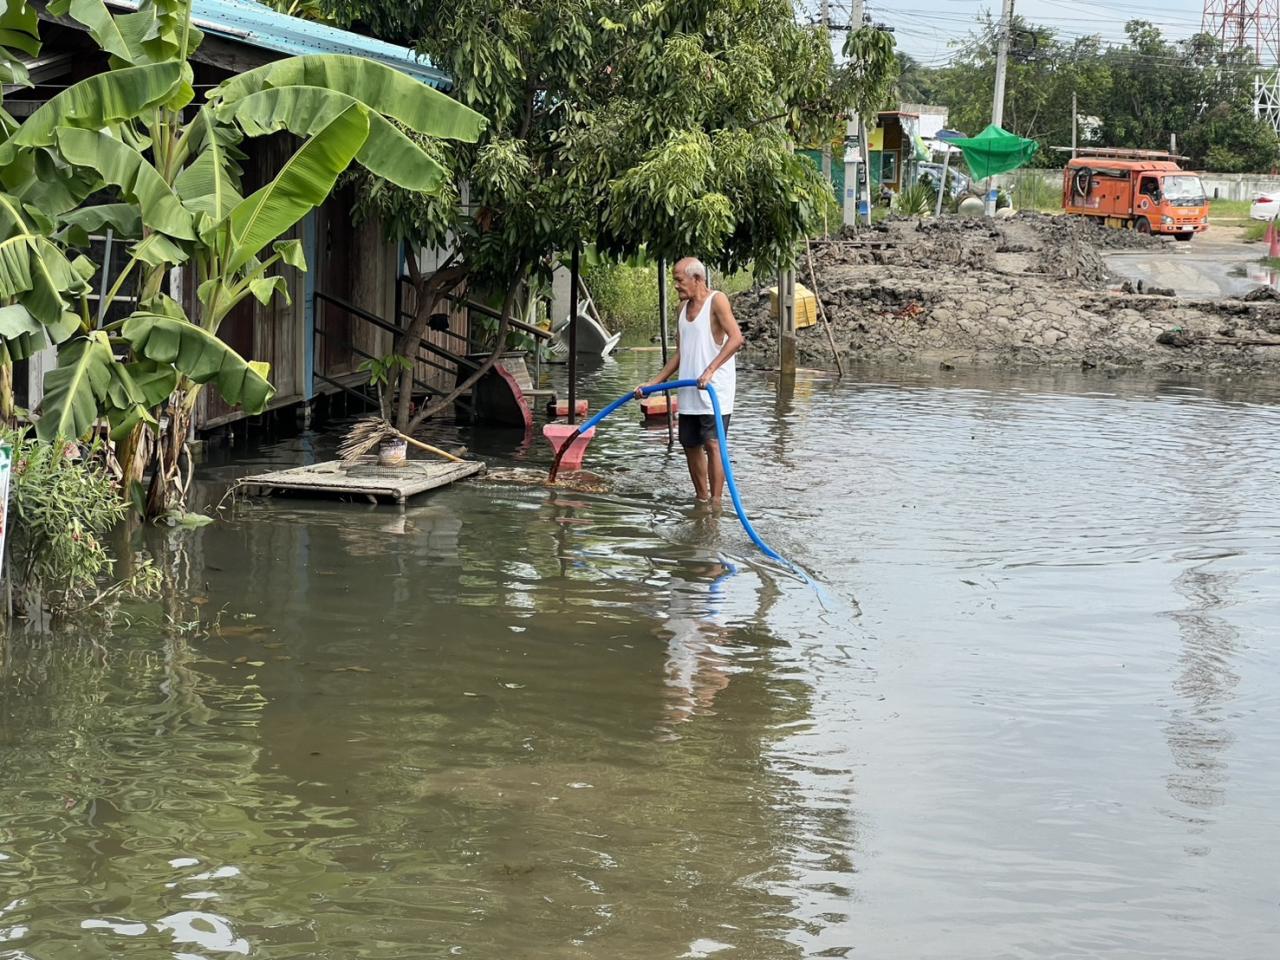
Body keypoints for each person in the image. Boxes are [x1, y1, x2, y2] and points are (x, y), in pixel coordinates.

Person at [635, 257, 744, 504]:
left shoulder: (717, 301)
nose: (676, 286)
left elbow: (736, 338)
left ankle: (716, 503)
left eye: (679, 280)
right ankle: (701, 499)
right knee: (690, 444)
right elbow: (681, 353)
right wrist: (654, 383)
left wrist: (710, 370)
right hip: (689, 388)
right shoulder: (680, 310)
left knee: (713, 444)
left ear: (697, 279)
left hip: (714, 390)